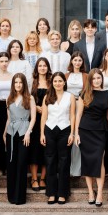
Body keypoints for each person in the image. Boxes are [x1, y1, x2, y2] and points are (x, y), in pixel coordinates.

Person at [75, 69, 108, 206]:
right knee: (87, 161)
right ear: (90, 80)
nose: (96, 81)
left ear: (102, 79)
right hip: (85, 130)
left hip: (101, 130)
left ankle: (100, 193)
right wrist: (76, 133)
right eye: (94, 78)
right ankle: (90, 192)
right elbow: (78, 115)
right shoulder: (84, 94)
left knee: (99, 161)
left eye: (98, 78)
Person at [40, 72, 75, 205]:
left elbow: (72, 116)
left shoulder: (70, 96)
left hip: (65, 130)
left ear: (64, 82)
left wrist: (72, 133)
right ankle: (51, 193)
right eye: (55, 81)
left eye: (60, 81)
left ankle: (62, 193)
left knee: (64, 162)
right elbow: (44, 116)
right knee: (50, 162)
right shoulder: (47, 96)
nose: (58, 83)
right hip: (49, 130)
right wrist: (42, 134)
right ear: (52, 83)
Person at [5, 73, 36, 205]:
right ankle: (11, 196)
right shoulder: (9, 98)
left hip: (24, 132)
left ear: (24, 84)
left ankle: (20, 197)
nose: (18, 85)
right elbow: (9, 118)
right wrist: (4, 134)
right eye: (16, 82)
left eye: (20, 82)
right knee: (11, 164)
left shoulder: (30, 98)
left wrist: (28, 132)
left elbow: (33, 118)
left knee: (22, 163)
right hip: (11, 133)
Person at [29, 57, 51, 192]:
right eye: (40, 66)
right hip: (34, 119)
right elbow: (27, 97)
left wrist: (46, 109)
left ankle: (43, 178)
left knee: (46, 149)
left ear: (48, 67)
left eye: (44, 65)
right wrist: (36, 107)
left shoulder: (51, 81)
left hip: (49, 118)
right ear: (37, 68)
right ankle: (34, 178)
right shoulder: (32, 82)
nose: (42, 68)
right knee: (34, 149)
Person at [66, 52, 88, 178]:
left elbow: (88, 92)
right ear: (71, 61)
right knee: (68, 134)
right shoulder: (66, 75)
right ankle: (67, 167)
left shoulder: (86, 76)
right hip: (67, 108)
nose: (77, 62)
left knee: (78, 134)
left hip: (80, 108)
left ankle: (78, 168)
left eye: (80, 60)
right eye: (75, 60)